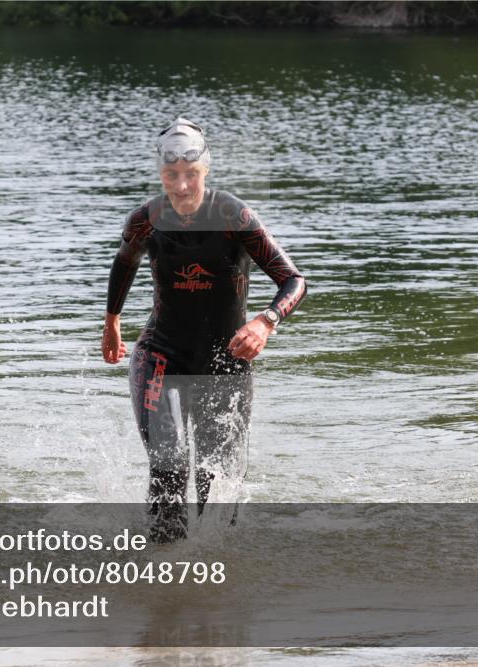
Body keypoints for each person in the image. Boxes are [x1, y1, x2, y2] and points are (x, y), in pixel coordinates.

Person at [102, 118, 307, 543]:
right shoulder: (146, 219)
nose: (180, 187)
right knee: (169, 465)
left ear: (205, 170)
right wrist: (112, 322)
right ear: (160, 173)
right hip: (161, 357)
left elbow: (294, 280)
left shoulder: (232, 215)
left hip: (225, 363)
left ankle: (215, 591)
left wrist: (265, 322)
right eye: (170, 175)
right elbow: (125, 261)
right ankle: (163, 582)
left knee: (218, 488)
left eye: (190, 175)